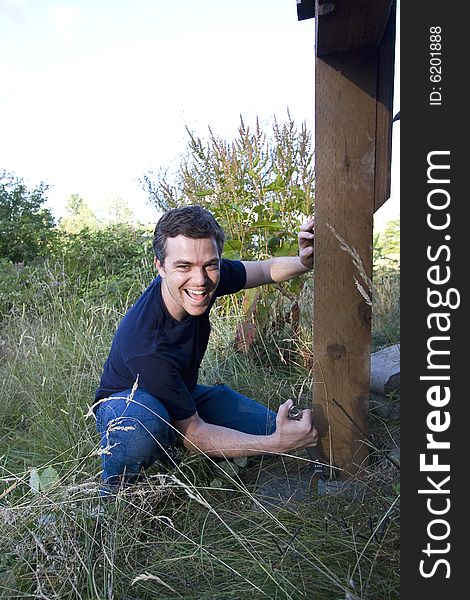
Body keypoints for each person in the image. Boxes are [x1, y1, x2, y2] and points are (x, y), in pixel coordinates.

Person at [94, 205, 318, 491]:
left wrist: (304, 261)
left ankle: (173, 441)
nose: (200, 281)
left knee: (270, 426)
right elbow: (196, 434)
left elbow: (263, 269)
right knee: (143, 423)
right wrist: (276, 445)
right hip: (129, 406)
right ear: (160, 266)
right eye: (184, 266)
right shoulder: (145, 344)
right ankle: (114, 495)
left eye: (210, 265)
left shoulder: (206, 279)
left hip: (181, 395)